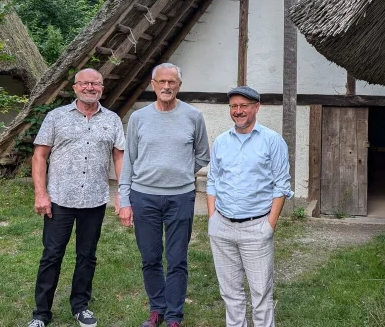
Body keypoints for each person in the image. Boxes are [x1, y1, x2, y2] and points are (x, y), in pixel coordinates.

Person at [28, 68, 125, 327]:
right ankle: (41, 314)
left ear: (102, 88)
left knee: (87, 256)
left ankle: (80, 306)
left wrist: (122, 194)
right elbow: (39, 156)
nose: (90, 88)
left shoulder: (113, 120)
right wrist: (41, 193)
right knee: (51, 255)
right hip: (59, 200)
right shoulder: (56, 117)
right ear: (75, 87)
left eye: (96, 84)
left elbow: (119, 156)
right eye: (85, 83)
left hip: (94, 200)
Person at [118, 63, 210, 327]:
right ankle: (157, 309)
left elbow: (203, 154)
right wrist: (125, 200)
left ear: (179, 85)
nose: (167, 87)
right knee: (150, 257)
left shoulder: (193, 116)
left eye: (172, 82)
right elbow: (130, 162)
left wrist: (181, 172)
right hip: (143, 197)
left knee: (177, 259)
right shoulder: (138, 118)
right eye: (162, 82)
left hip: (180, 198)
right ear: (153, 84)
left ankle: (173, 316)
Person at [206, 85, 294, 327]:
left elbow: (282, 185)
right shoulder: (222, 141)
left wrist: (270, 225)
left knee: (261, 294)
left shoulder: (272, 141)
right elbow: (213, 180)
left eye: (244, 106)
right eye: (234, 106)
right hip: (222, 226)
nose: (238, 111)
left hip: (257, 227)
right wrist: (213, 218)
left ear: (257, 107)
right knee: (230, 293)